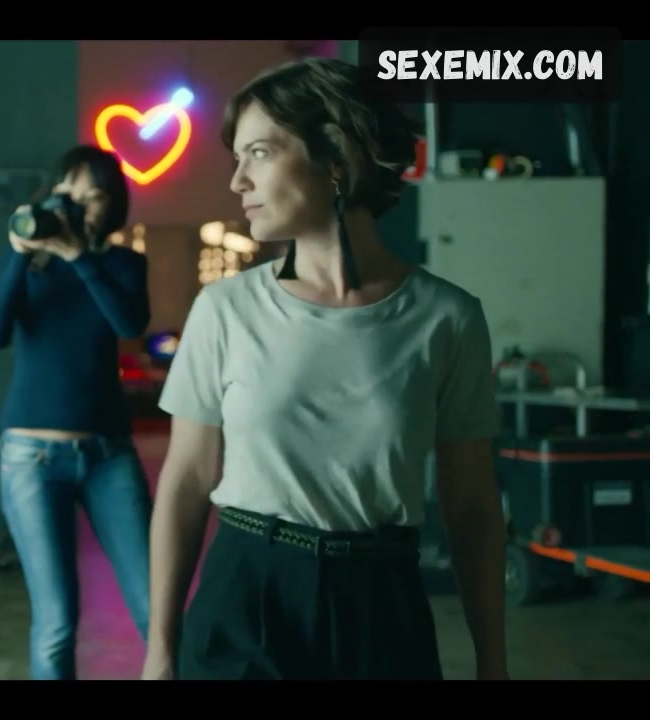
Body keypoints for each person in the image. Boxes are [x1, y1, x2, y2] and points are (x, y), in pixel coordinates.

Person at [141, 57, 507, 681]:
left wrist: (491, 662)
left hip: (382, 601)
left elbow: (471, 502)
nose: (237, 181)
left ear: (336, 155)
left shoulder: (447, 318)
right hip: (248, 593)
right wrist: (160, 651)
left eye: (258, 153)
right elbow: (186, 481)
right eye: (237, 157)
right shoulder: (226, 309)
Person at [0, 145, 152, 680]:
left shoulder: (122, 264)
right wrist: (20, 255)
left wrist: (79, 257)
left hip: (109, 456)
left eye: (93, 197)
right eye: (68, 194)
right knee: (56, 623)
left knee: (155, 605)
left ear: (112, 205)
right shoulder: (30, 266)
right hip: (31, 457)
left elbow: (128, 324)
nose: (78, 206)